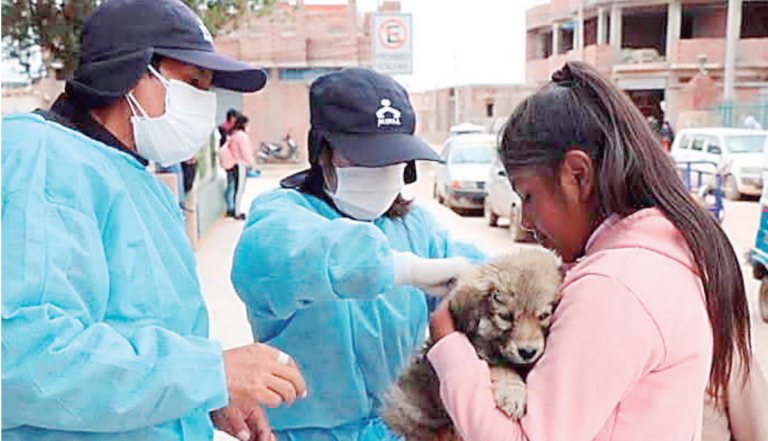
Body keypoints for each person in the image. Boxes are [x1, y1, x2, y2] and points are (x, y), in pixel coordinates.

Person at [1, 0, 306, 440]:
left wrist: (207, 399)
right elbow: (25, 355)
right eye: (193, 83)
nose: (207, 102)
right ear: (131, 72)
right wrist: (208, 373)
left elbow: (146, 341)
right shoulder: (42, 160)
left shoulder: (134, 179)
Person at [427, 61, 752, 441]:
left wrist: (448, 344)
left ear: (577, 175)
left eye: (528, 196)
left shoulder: (614, 288)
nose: (527, 220)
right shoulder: (665, 253)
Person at [230, 67, 488, 441]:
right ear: (323, 152)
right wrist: (402, 269)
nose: (379, 172)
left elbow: (489, 281)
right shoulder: (281, 216)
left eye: (391, 160)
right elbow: (288, 256)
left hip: (402, 425)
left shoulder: (418, 228)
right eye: (363, 159)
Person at [220, 113, 256, 220]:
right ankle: (237, 211)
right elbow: (245, 152)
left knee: (234, 187)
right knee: (239, 189)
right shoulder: (241, 136)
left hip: (235, 164)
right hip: (240, 164)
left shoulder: (234, 135)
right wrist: (252, 162)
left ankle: (234, 209)